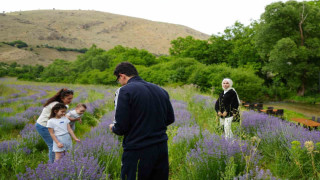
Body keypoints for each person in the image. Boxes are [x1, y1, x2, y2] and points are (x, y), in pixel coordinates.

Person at [108, 62, 175, 180]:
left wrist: (113, 127)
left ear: (122, 75)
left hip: (138, 149)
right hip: (161, 148)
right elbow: (170, 118)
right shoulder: (160, 90)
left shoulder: (124, 91)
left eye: (118, 79)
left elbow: (121, 127)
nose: (119, 82)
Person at [35, 88, 74, 163]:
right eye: (69, 98)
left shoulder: (63, 105)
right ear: (62, 98)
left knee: (59, 144)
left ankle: (59, 162)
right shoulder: (55, 105)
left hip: (51, 126)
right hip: (43, 126)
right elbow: (58, 119)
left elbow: (62, 118)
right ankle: (53, 166)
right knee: (53, 146)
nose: (70, 101)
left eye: (71, 99)